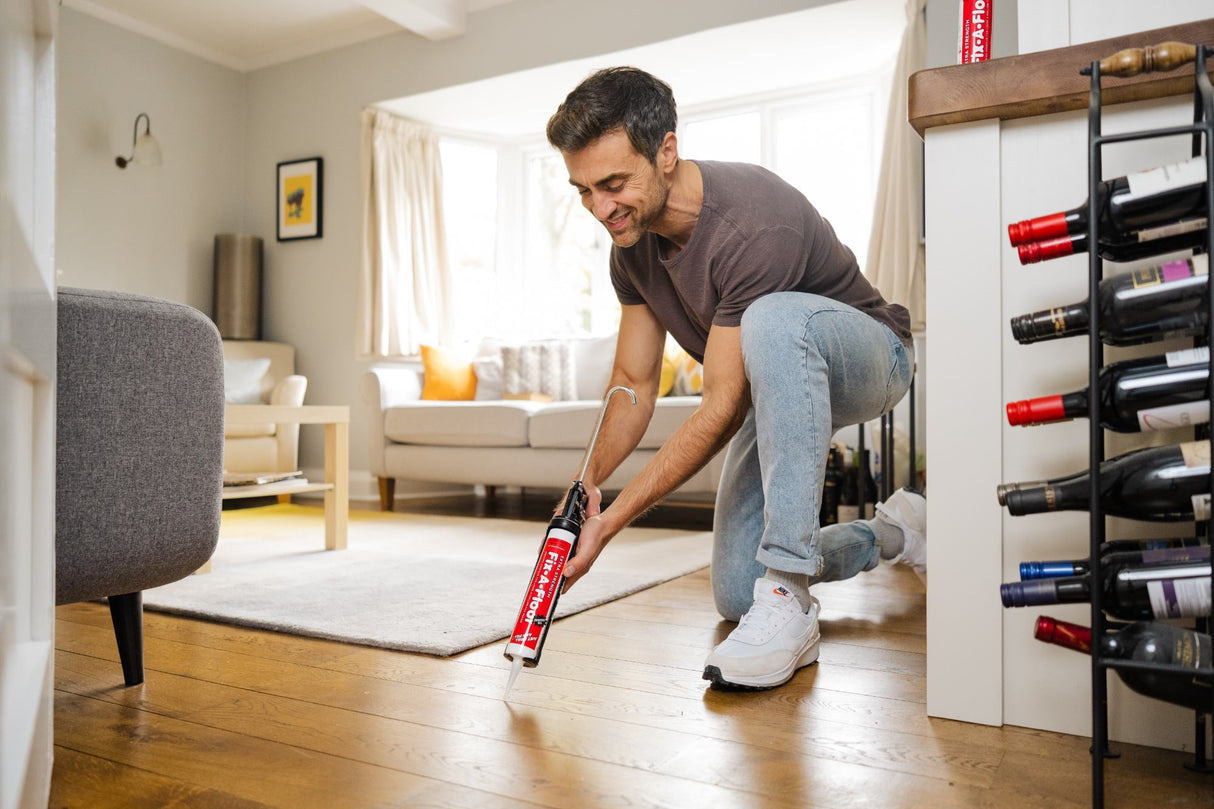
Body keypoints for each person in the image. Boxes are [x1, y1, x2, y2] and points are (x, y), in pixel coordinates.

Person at [546, 66, 926, 691]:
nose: (600, 208)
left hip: (872, 356)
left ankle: (790, 599)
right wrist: (584, 489)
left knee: (771, 320)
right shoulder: (631, 246)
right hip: (770, 382)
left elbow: (720, 406)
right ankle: (891, 533)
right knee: (732, 592)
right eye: (583, 190)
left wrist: (609, 525)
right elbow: (633, 384)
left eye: (613, 183)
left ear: (666, 151)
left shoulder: (752, 223)